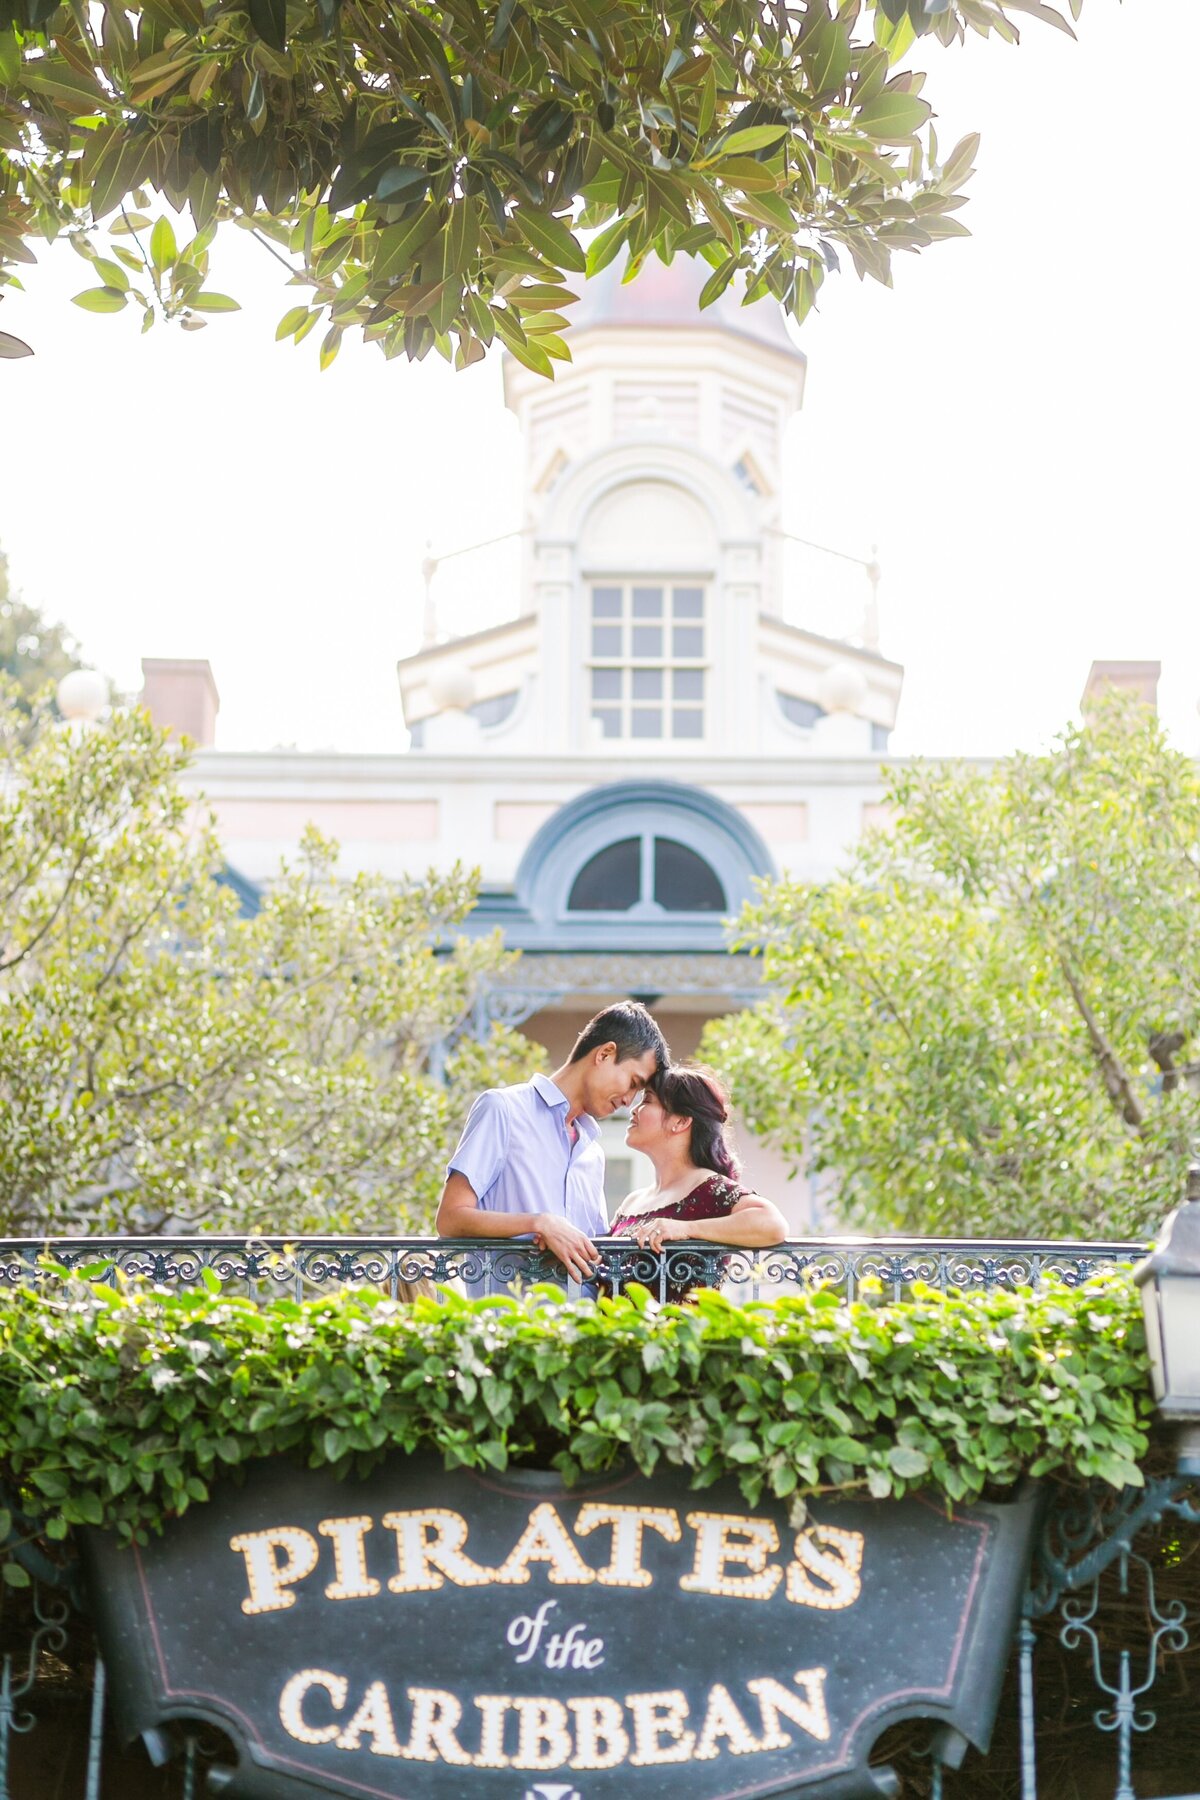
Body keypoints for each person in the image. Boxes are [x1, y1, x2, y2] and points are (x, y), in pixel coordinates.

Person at [435, 1000, 669, 1287]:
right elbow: (450, 1218)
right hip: (508, 1324)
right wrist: (538, 1223)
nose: (628, 1101)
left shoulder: (592, 1151)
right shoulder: (503, 1109)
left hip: (581, 1326)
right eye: (633, 1082)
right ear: (605, 1054)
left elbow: (592, 1255)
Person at [609, 1064, 787, 1301]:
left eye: (647, 1100)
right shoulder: (633, 1201)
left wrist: (685, 1228)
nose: (634, 1110)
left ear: (681, 1121)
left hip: (679, 1336)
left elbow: (772, 1224)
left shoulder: (708, 1188)